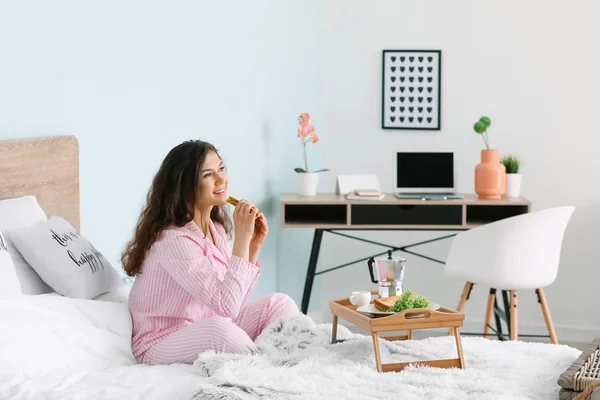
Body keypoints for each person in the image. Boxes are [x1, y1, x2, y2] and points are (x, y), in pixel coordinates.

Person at [121, 140, 299, 365]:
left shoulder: (216, 230)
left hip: (208, 323)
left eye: (221, 169)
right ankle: (271, 367)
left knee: (280, 303)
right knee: (219, 330)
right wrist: (242, 239)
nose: (221, 179)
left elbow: (232, 305)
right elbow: (226, 307)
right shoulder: (173, 240)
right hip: (161, 342)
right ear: (186, 187)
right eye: (208, 175)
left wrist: (252, 247)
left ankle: (289, 357)